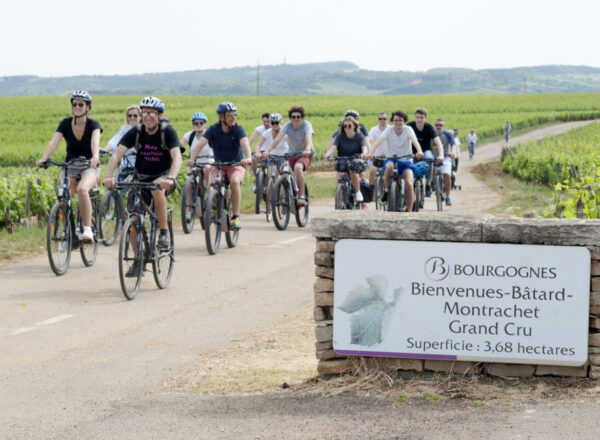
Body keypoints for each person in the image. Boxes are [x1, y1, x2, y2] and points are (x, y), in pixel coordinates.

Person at [103, 96, 182, 255]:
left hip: (164, 177)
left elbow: (177, 157)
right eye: (144, 113)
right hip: (141, 179)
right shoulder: (136, 132)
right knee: (133, 219)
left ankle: (164, 232)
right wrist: (108, 176)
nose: (147, 117)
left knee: (157, 189)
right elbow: (117, 155)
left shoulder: (167, 132)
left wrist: (171, 178)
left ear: (159, 116)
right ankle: (138, 259)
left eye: (152, 114)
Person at [36, 90, 102, 244]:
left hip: (88, 166)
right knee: (63, 197)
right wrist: (43, 158)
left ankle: (87, 229)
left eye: (81, 104)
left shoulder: (93, 125)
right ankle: (68, 234)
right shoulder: (65, 123)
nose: (77, 107)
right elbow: (54, 142)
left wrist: (95, 156)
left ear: (88, 107)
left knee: (82, 190)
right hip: (70, 166)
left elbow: (95, 142)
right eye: (74, 104)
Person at [187, 102, 252, 230]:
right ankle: (215, 208)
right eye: (229, 115)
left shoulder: (238, 129)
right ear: (221, 117)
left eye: (234, 114)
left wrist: (248, 157)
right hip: (219, 165)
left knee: (234, 181)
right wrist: (192, 159)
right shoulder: (213, 129)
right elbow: (200, 144)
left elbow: (245, 145)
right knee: (212, 184)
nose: (233, 117)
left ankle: (235, 217)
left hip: (236, 164)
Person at [369, 110, 424, 212]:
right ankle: (386, 190)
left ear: (404, 121)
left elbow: (414, 141)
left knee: (409, 183)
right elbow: (377, 142)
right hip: (391, 159)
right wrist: (370, 153)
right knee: (388, 167)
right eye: (396, 120)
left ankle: (409, 211)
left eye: (400, 120)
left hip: (406, 160)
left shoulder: (408, 130)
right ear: (392, 121)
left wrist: (419, 151)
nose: (398, 123)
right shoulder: (389, 130)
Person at [262, 105, 314, 207]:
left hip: (304, 153)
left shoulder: (306, 125)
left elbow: (309, 137)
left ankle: (301, 196)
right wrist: (268, 150)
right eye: (293, 117)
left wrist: (307, 149)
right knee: (284, 172)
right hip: (291, 154)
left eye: (298, 117)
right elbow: (278, 139)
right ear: (290, 118)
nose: (296, 119)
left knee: (298, 168)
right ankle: (287, 197)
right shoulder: (287, 125)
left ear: (302, 117)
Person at [323, 115, 369, 203]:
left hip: (355, 159)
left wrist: (364, 153)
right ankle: (339, 201)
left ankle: (357, 192)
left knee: (352, 170)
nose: (347, 128)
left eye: (349, 126)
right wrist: (327, 154)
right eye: (345, 126)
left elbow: (364, 148)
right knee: (339, 176)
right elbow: (333, 147)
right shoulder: (340, 136)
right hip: (342, 159)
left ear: (354, 126)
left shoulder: (360, 136)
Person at [257, 113, 289, 220]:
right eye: (273, 123)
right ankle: (269, 206)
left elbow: (291, 144)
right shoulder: (267, 133)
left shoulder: (285, 133)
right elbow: (259, 145)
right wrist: (258, 152)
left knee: (284, 178)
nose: (275, 125)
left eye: (277, 123)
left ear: (281, 122)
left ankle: (285, 200)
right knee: (270, 179)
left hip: (284, 158)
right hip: (272, 158)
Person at [407, 107, 444, 197]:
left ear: (425, 118)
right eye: (417, 117)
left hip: (426, 151)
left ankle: (428, 184)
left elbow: (438, 142)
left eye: (421, 117)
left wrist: (441, 155)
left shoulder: (429, 127)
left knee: (429, 158)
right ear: (415, 117)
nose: (419, 119)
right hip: (412, 152)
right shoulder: (409, 126)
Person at [103, 105, 141, 175]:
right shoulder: (124, 129)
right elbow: (115, 141)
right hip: (127, 166)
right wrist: (105, 150)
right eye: (130, 116)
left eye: (135, 115)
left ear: (140, 117)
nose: (132, 117)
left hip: (142, 167)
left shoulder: (145, 129)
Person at [181, 112, 215, 186]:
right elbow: (180, 147)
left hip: (209, 162)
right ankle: (188, 197)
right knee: (189, 179)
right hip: (194, 162)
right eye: (196, 123)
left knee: (207, 170)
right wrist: (176, 154)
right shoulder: (189, 135)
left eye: (201, 123)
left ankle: (210, 195)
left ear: (205, 124)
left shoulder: (210, 135)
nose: (198, 125)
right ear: (193, 124)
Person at [433, 119, 455, 206]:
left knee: (447, 175)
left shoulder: (447, 134)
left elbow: (453, 144)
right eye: (437, 125)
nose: (438, 127)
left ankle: (448, 197)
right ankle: (432, 184)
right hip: (433, 157)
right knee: (431, 170)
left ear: (443, 126)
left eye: (440, 125)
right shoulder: (431, 133)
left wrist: (453, 151)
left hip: (445, 157)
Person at [368, 112, 391, 183]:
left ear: (387, 120)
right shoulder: (373, 130)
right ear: (378, 120)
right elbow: (370, 142)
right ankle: (373, 189)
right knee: (372, 171)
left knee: (390, 173)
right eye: (380, 119)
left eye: (384, 119)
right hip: (377, 156)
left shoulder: (391, 129)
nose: (382, 120)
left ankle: (389, 190)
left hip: (388, 156)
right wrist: (370, 153)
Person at [249, 113, 271, 184]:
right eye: (264, 121)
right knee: (253, 159)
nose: (266, 123)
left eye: (268, 121)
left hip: (273, 151)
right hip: (262, 151)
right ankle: (257, 180)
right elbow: (251, 139)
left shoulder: (275, 128)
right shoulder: (259, 129)